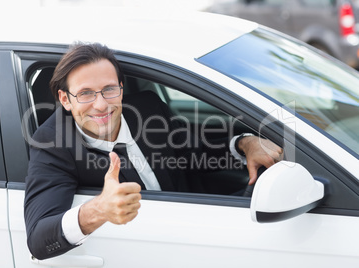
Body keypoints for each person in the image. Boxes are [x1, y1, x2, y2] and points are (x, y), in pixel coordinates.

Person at [24, 43, 283, 260]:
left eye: (109, 89)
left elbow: (194, 149)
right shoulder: (52, 145)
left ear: (121, 89)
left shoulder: (147, 109)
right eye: (85, 94)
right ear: (65, 99)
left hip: (193, 236)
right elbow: (38, 238)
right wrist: (99, 209)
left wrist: (246, 143)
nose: (101, 105)